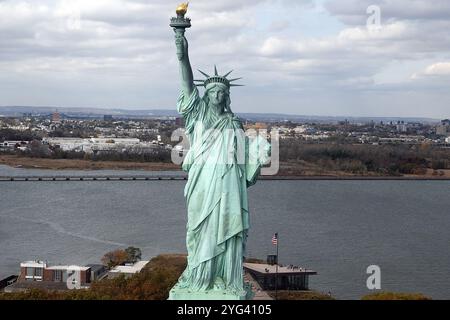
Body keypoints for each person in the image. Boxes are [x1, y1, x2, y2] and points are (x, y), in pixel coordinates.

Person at [170, 30, 270, 297]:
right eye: (212, 91)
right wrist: (182, 52)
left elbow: (245, 161)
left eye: (220, 92)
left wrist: (259, 153)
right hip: (202, 180)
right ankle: (199, 277)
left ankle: (225, 278)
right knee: (198, 228)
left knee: (227, 227)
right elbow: (187, 83)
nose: (215, 95)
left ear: (226, 96)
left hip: (228, 184)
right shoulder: (197, 114)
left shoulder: (234, 123)